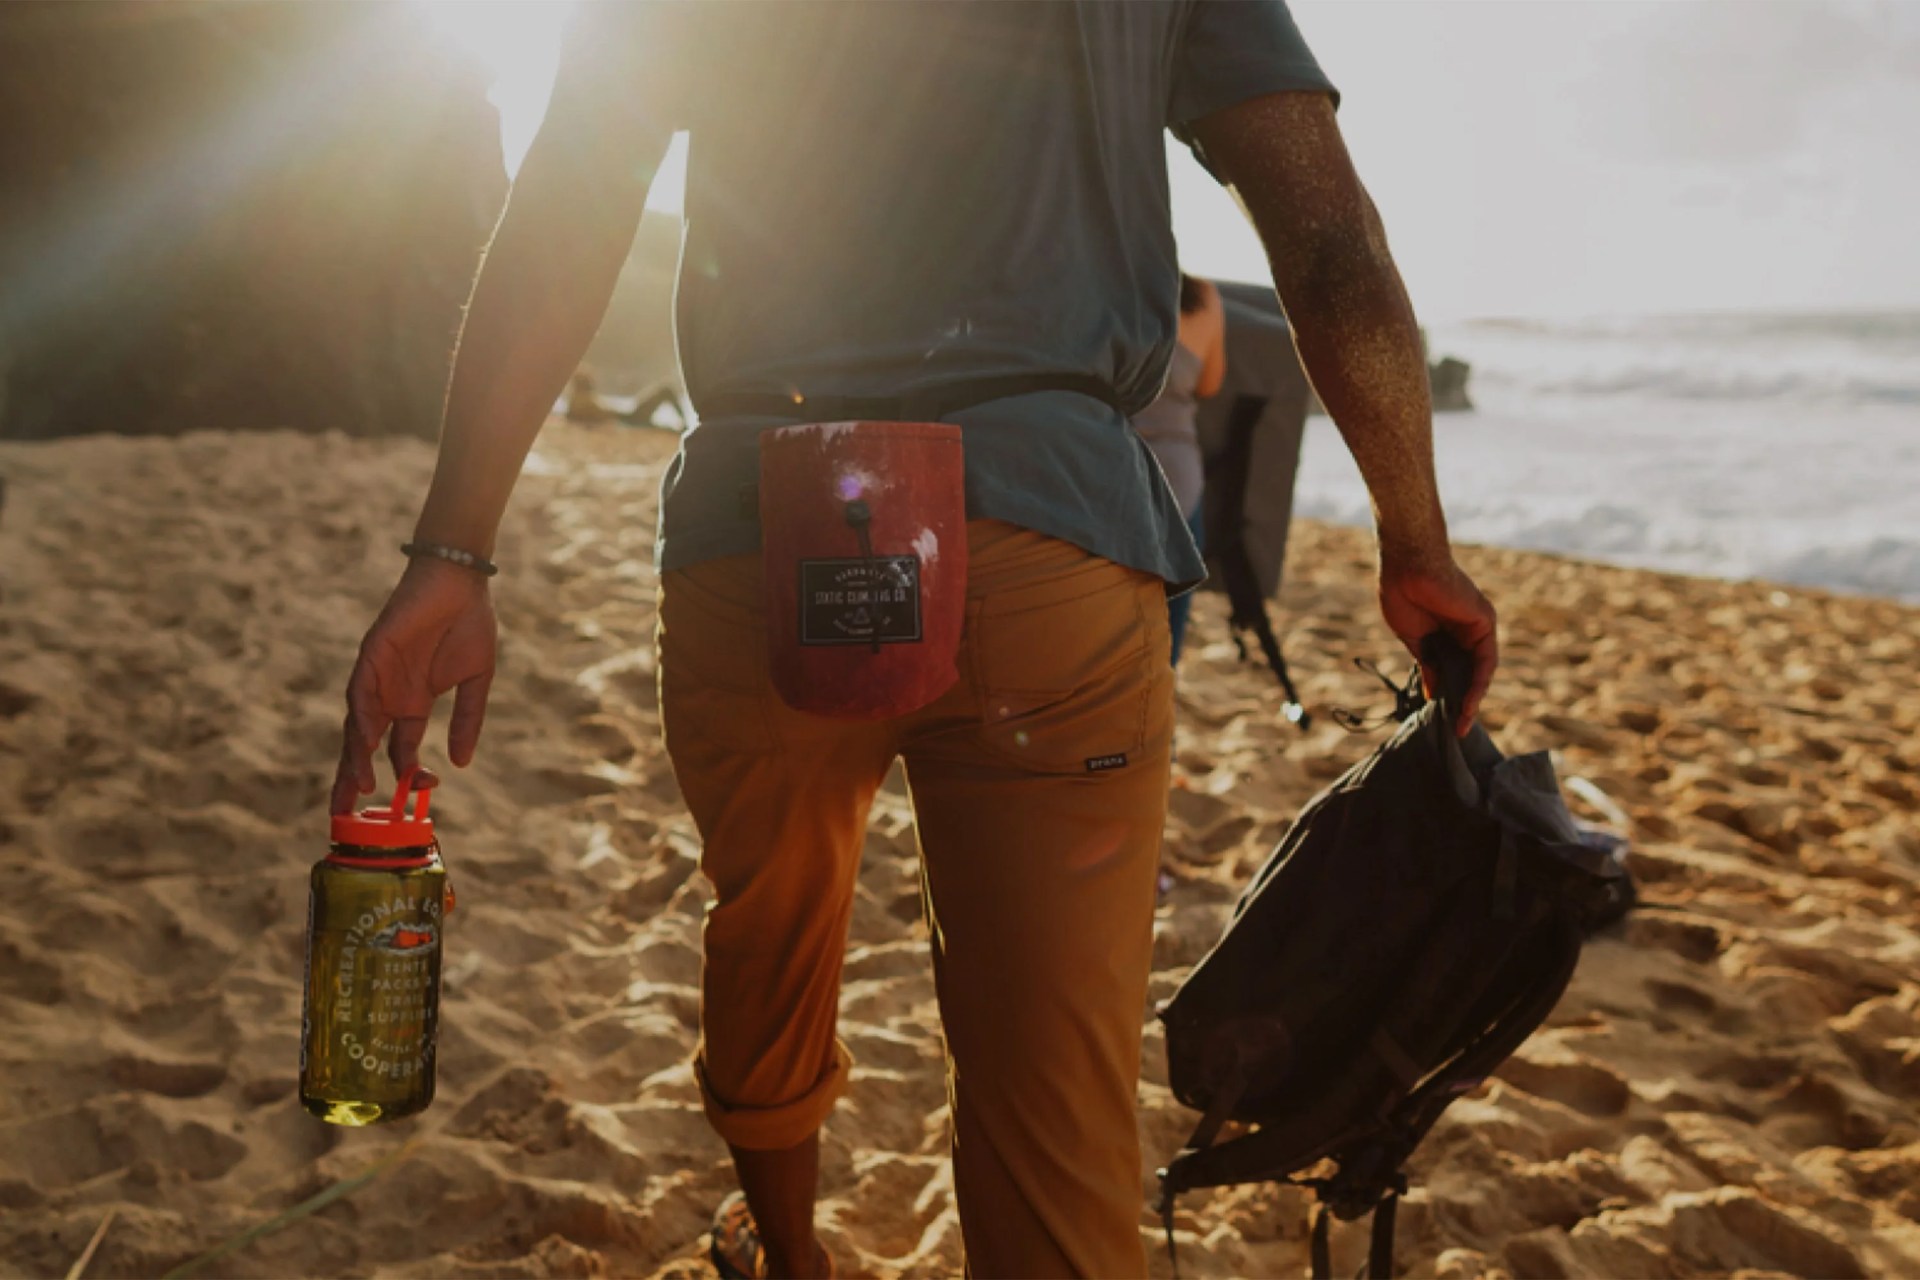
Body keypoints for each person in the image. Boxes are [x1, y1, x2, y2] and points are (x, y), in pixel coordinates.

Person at [330, 5, 1499, 1277]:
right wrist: (1415, 539)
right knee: (1053, 1097)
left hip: (754, 529)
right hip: (1046, 539)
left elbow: (570, 204)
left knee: (768, 935)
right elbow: (1328, 242)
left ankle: (785, 1248)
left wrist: (453, 555)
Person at [1133, 272, 1227, 665]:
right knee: (1168, 629)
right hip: (1178, 479)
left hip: (1109, 472)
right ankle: (1157, 724)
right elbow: (1210, 383)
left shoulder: (1099, 281)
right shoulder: (1202, 295)